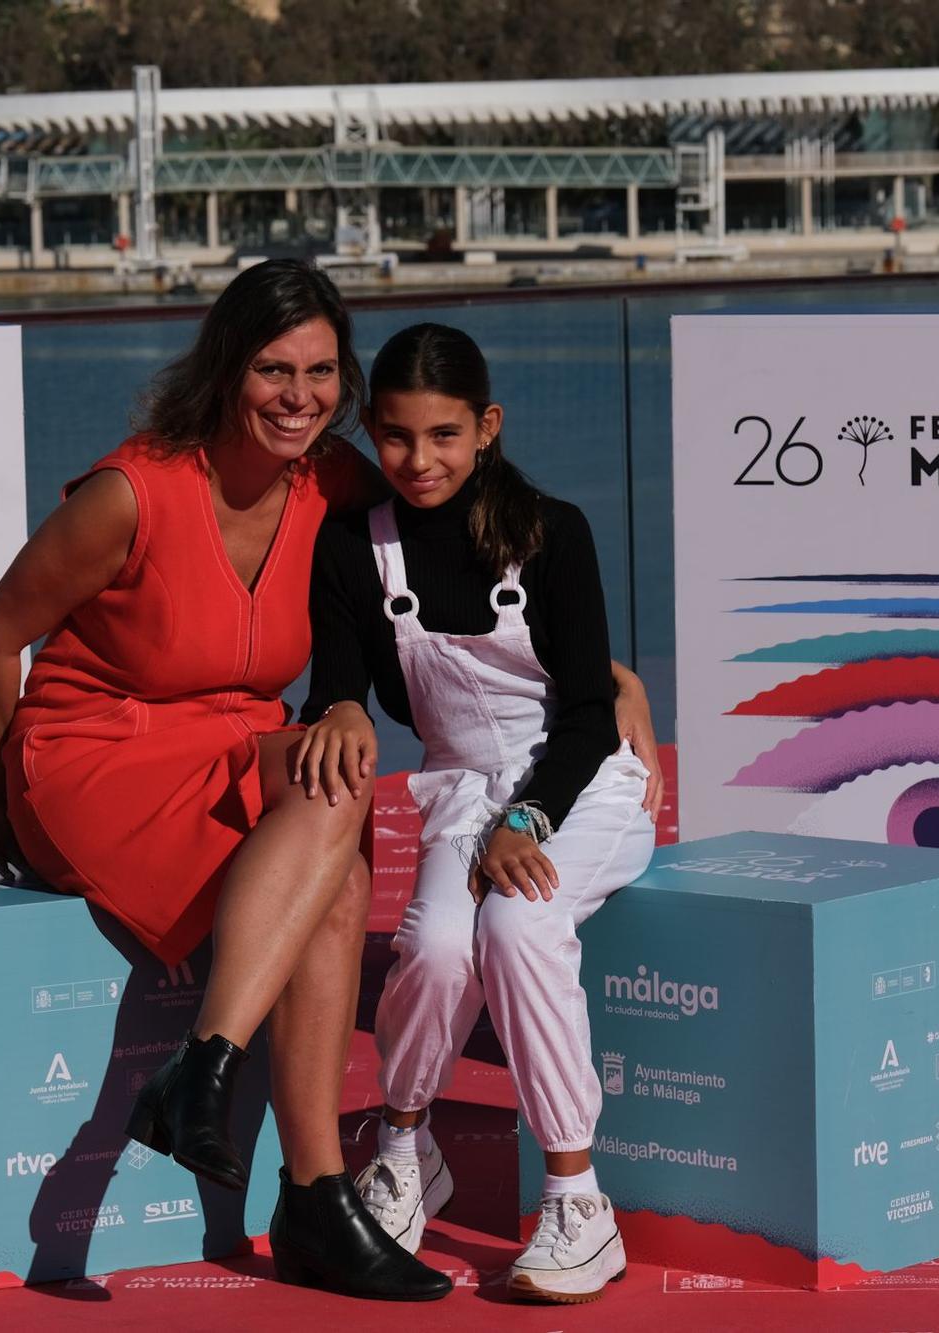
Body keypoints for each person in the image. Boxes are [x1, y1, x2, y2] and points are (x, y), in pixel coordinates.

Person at [0, 265, 660, 1301]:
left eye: (321, 372)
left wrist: (604, 675)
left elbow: (459, 550)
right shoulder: (133, 493)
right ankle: (272, 1140)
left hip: (229, 739)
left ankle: (293, 1171)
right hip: (89, 752)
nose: (298, 395)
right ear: (225, 369)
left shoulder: (336, 483)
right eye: (271, 370)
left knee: (336, 802)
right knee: (343, 816)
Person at [295, 323, 656, 1304]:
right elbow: (338, 684)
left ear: (486, 426)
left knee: (517, 922)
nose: (419, 461)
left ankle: (578, 1201)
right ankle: (406, 1150)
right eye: (399, 437)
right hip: (458, 786)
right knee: (439, 951)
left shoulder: (553, 530)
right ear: (370, 429)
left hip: (579, 787)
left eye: (444, 435)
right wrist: (331, 708)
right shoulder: (349, 547)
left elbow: (587, 711)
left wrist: (529, 818)